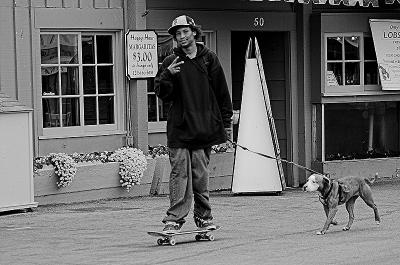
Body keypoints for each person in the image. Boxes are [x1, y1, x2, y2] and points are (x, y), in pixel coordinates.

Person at [154, 15, 233, 233]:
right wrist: (167, 76)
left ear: (194, 32)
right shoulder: (171, 61)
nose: (181, 37)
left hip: (203, 128)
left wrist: (225, 123)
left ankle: (204, 217)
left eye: (185, 32)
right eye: (177, 34)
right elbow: (162, 93)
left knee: (200, 175)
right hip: (179, 129)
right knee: (180, 174)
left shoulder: (209, 59)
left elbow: (222, 93)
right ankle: (174, 219)